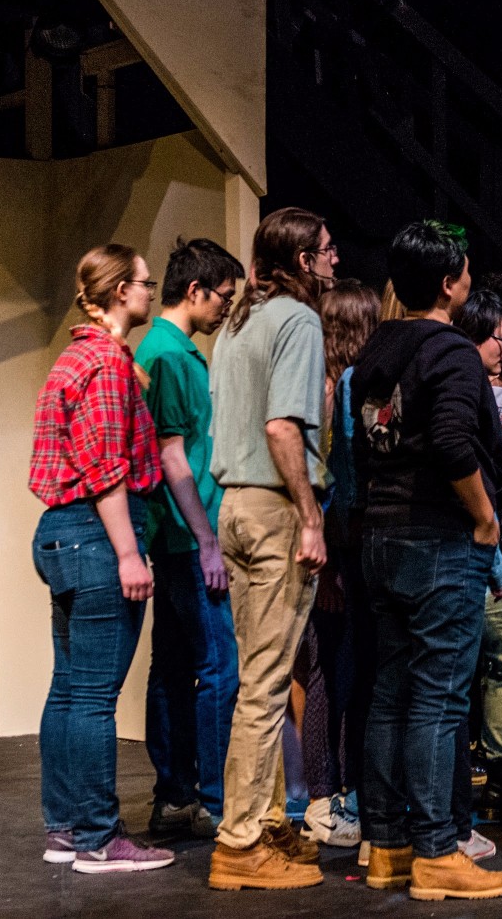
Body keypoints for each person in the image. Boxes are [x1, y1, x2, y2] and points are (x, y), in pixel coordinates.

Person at [351, 221, 502, 901]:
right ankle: (436, 851)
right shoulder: (449, 350)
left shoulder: (378, 347)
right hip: (438, 540)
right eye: (466, 272)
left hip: (382, 536)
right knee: (440, 700)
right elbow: (453, 443)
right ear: (450, 283)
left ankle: (388, 845)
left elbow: (367, 443)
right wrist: (484, 517)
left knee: (391, 693)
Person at [28, 243, 176, 875]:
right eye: (145, 283)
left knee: (69, 689)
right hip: (95, 533)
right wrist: (128, 554)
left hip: (66, 533)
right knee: (91, 696)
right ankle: (97, 837)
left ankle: (66, 829)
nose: (150, 292)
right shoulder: (105, 365)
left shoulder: (78, 357)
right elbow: (105, 469)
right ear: (120, 292)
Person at [206, 208, 335, 892]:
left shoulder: (238, 321)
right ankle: (240, 841)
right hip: (273, 507)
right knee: (265, 684)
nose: (335, 260)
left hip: (234, 506)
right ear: (303, 260)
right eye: (326, 250)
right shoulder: (298, 321)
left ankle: (266, 819)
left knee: (263, 677)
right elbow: (282, 428)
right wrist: (310, 517)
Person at [140, 237, 246, 839]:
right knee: (219, 668)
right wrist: (208, 541)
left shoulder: (167, 349)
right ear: (195, 290)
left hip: (177, 533)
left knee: (174, 668)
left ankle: (176, 794)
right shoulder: (170, 356)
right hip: (187, 535)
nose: (226, 308)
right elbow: (171, 453)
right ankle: (213, 799)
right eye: (222, 297)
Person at [300, 280, 381, 849]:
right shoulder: (331, 392)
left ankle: (343, 793)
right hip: (332, 551)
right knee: (328, 675)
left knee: (345, 673)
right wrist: (328, 567)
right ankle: (322, 799)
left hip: (341, 547)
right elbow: (327, 484)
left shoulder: (337, 385)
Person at [453, 288, 502, 814]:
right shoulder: (463, 387)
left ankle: (496, 769)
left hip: (487, 548)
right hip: (473, 549)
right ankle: (490, 774)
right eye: (500, 339)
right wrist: (492, 550)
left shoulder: (475, 385)